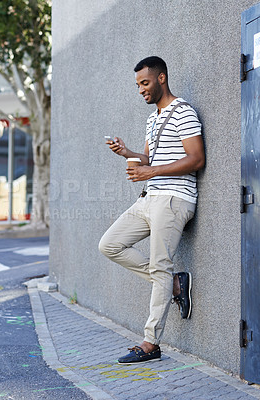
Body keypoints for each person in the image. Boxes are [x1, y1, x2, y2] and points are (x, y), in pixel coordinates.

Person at [99, 56, 205, 364]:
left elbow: (196, 159)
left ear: (161, 79)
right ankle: (173, 282)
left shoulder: (183, 112)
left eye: (145, 83)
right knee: (110, 244)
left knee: (160, 265)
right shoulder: (152, 119)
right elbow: (148, 159)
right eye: (137, 86)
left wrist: (151, 173)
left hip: (174, 199)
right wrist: (128, 154)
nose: (141, 90)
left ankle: (150, 343)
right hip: (150, 198)